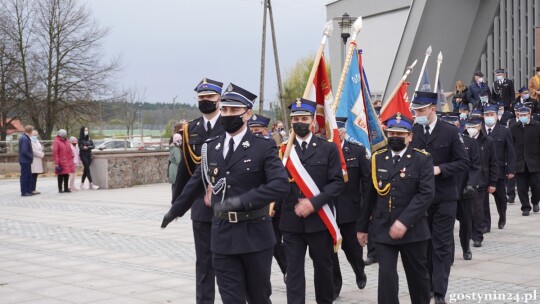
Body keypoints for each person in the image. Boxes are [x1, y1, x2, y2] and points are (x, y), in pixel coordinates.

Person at [162, 83, 289, 304]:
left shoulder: (263, 146)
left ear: (247, 113)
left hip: (254, 235)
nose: (227, 115)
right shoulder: (211, 146)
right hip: (222, 236)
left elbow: (280, 185)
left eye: (234, 110)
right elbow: (197, 181)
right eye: (225, 110)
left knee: (259, 297)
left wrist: (242, 201)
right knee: (231, 299)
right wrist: (176, 209)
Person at [357, 113, 434, 304]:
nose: (395, 137)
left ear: (410, 136)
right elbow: (369, 195)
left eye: (400, 134)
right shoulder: (377, 158)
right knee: (387, 278)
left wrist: (404, 222)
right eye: (391, 133)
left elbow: (426, 194)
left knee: (418, 279)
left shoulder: (422, 159)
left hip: (414, 230)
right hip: (383, 229)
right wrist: (362, 227)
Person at [279, 98, 344, 304]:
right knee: (294, 272)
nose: (300, 122)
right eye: (295, 119)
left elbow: (336, 184)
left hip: (319, 220)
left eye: (304, 118)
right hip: (291, 221)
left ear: (313, 121)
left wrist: (313, 203)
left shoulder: (328, 149)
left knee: (323, 270)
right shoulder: (283, 151)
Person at [410, 91, 469, 304]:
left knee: (441, 245)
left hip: (444, 197)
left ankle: (440, 291)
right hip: (420, 200)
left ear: (432, 109)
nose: (418, 114)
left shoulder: (450, 132)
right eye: (415, 111)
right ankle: (426, 287)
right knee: (424, 245)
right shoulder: (413, 131)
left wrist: (440, 169)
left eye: (421, 110)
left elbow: (463, 162)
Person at [169, 78, 225, 304]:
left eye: (209, 97)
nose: (205, 101)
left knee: (229, 261)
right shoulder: (190, 129)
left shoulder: (230, 124)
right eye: (201, 98)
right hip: (201, 206)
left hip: (228, 202)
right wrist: (176, 205)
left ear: (219, 98)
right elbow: (184, 168)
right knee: (204, 262)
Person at [332, 117, 368, 299]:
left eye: (339, 130)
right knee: (330, 251)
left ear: (344, 131)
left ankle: (359, 271)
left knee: (352, 249)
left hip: (350, 209)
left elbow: (367, 182)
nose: (336, 133)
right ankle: (334, 286)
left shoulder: (357, 151)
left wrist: (366, 210)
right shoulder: (323, 150)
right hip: (328, 209)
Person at [248, 114, 288, 279]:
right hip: (252, 205)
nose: (254, 133)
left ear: (265, 131)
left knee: (275, 242)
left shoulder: (272, 149)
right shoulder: (245, 149)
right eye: (252, 130)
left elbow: (277, 181)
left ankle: (288, 271)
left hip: (271, 207)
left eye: (257, 131)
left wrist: (273, 205)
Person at [442, 114, 480, 261]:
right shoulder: (441, 143)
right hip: (446, 190)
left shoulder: (469, 143)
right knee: (447, 224)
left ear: (458, 125)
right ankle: (449, 254)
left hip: (464, 190)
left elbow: (475, 166)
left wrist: (471, 184)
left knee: (466, 222)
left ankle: (466, 247)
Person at [463, 117, 498, 248]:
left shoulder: (488, 141)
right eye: (468, 126)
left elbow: (493, 163)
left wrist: (493, 182)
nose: (470, 129)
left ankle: (477, 236)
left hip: (481, 181)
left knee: (477, 210)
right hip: (465, 180)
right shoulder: (461, 140)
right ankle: (467, 234)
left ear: (479, 126)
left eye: (474, 126)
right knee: (467, 211)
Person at [483, 105, 515, 230]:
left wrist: (511, 169)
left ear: (497, 116)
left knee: (501, 197)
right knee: (483, 200)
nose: (489, 117)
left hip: (499, 170)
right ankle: (486, 224)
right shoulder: (480, 130)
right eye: (487, 115)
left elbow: (511, 151)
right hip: (483, 171)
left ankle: (502, 216)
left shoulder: (504, 131)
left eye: (492, 115)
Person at [510, 106, 540, 216]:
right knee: (522, 187)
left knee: (536, 186)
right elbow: (510, 146)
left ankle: (535, 201)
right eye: (520, 115)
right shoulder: (513, 128)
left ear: (529, 114)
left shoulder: (537, 126)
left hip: (535, 162)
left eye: (525, 115)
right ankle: (525, 207)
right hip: (519, 162)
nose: (523, 117)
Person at [53, 129, 75, 193]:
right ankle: (60, 189)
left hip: (67, 160)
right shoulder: (57, 142)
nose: (66, 135)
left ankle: (66, 188)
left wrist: (72, 156)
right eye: (65, 134)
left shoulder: (66, 141)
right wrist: (57, 162)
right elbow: (55, 152)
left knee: (66, 175)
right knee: (60, 175)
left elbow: (70, 150)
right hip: (61, 161)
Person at [18, 125, 34, 197]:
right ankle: (24, 191)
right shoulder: (25, 138)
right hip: (25, 160)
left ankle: (28, 190)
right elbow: (24, 151)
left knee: (28, 176)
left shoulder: (24, 137)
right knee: (25, 176)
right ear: (30, 131)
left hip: (25, 160)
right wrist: (30, 157)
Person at [30, 130, 45, 195]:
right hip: (34, 160)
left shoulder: (37, 141)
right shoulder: (30, 141)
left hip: (38, 160)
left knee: (35, 175)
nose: (35, 136)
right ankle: (32, 189)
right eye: (34, 135)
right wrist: (41, 154)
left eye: (36, 135)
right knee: (33, 175)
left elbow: (40, 148)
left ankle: (34, 188)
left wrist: (41, 153)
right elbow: (33, 151)